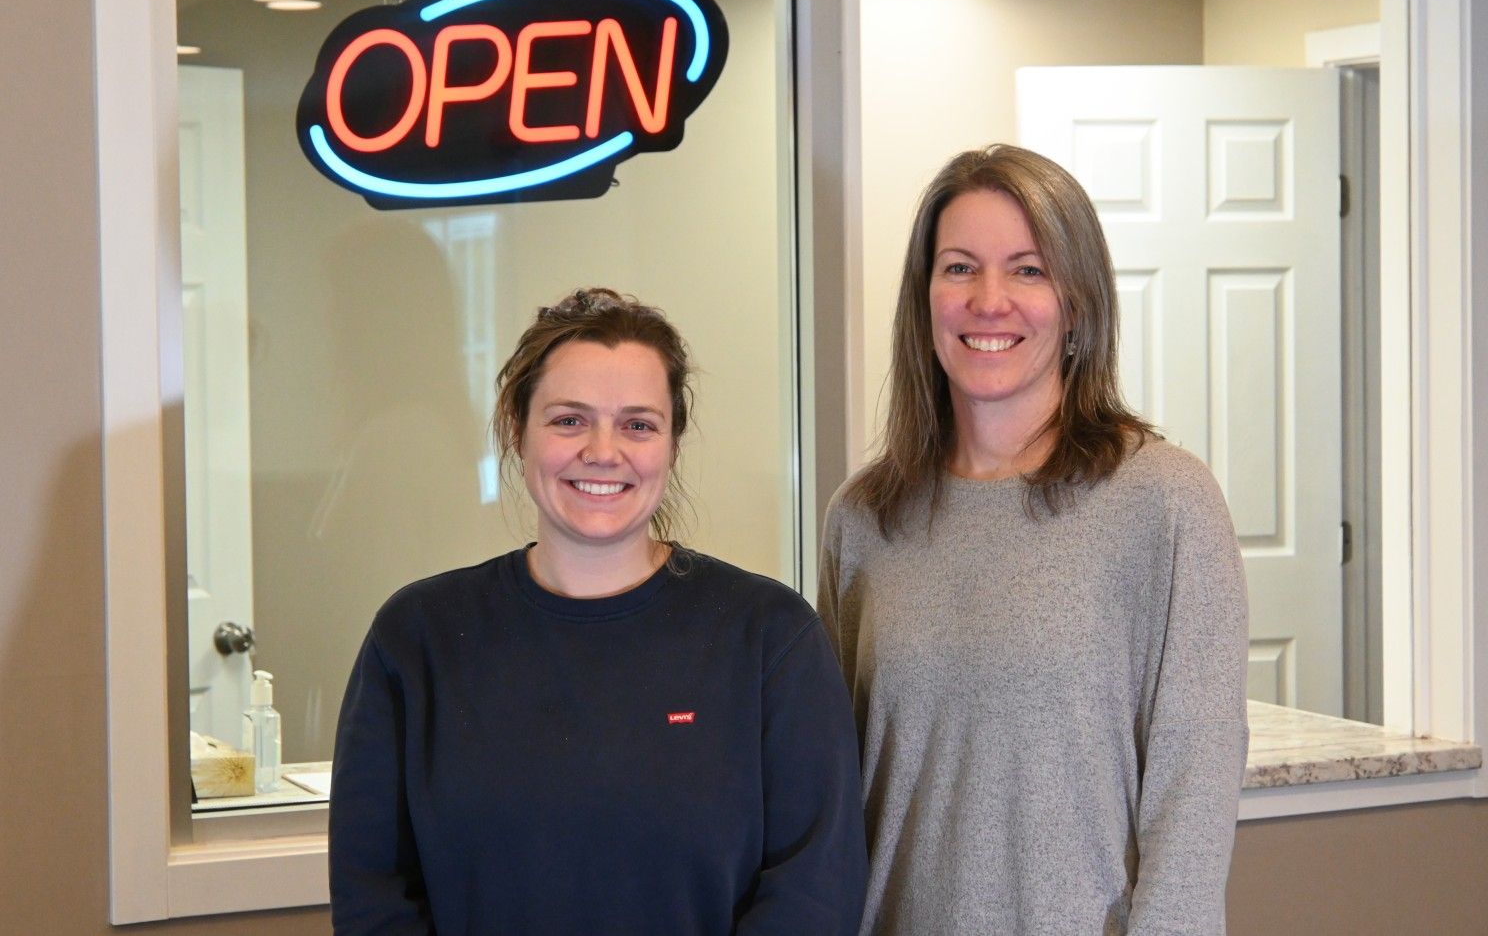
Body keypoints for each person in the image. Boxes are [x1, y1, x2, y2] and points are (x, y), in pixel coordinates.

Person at [330, 288, 867, 935]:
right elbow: (374, 899)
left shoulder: (771, 639)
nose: (604, 451)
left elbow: (815, 894)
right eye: (569, 420)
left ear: (671, 444)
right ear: (515, 429)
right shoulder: (417, 639)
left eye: (638, 423)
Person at [818, 146, 1249, 935]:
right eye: (959, 268)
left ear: (1077, 303)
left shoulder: (1162, 501)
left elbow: (1194, 791)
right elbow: (838, 800)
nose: (990, 300)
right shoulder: (863, 518)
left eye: (1028, 269)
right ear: (924, 301)